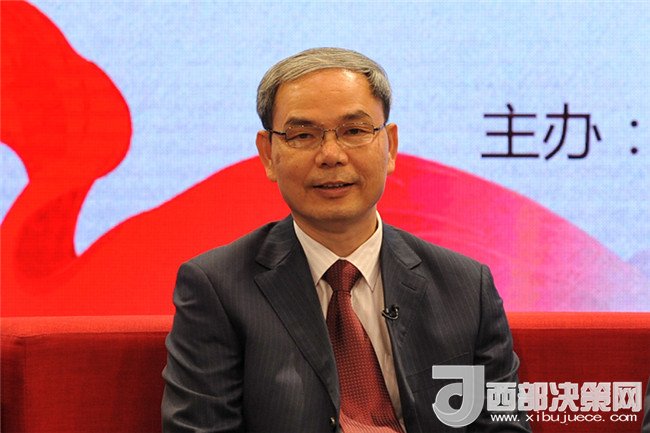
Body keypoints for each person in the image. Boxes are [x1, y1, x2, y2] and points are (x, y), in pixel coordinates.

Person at [162, 47, 531, 433]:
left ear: (390, 145)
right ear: (268, 154)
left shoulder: (465, 287)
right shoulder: (218, 287)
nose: (331, 155)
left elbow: (503, 426)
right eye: (303, 135)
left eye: (354, 131)